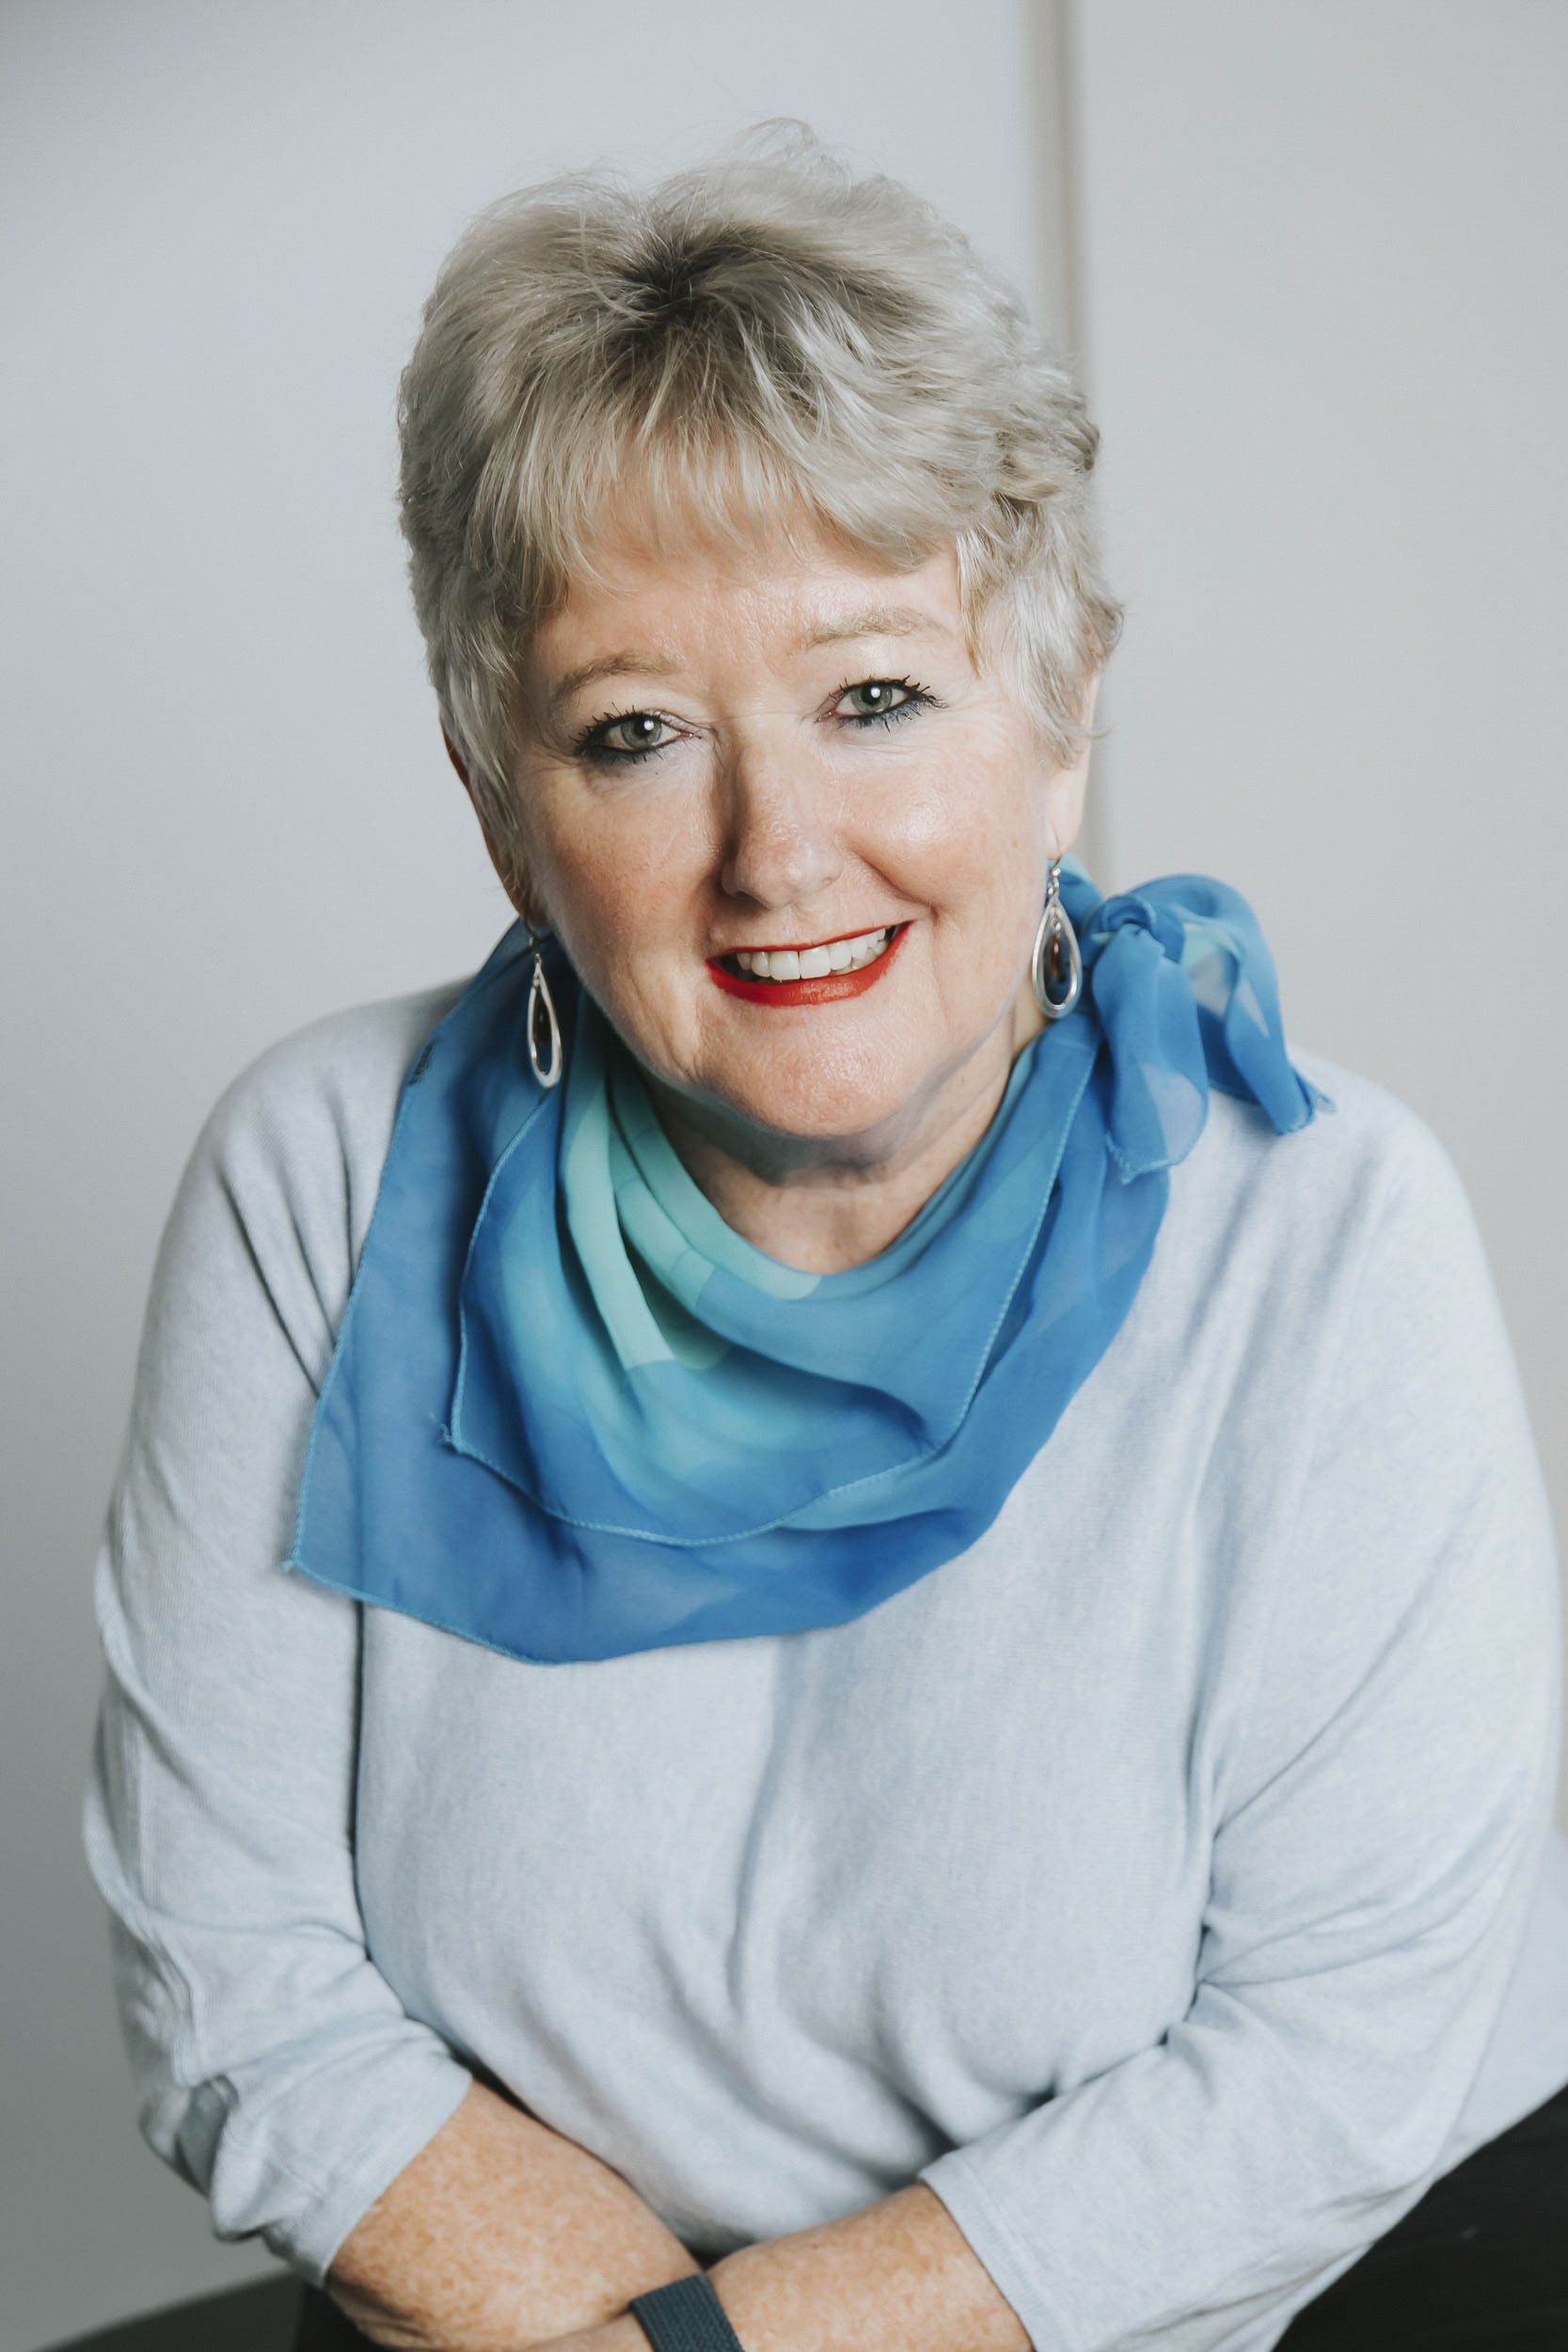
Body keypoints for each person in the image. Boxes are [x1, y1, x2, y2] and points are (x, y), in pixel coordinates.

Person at [86, 131, 1568, 2352]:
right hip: (514, 2305)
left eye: (875, 696)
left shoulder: (1328, 1231)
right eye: (637, 733)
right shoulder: (321, 1177)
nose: (776, 850)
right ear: (500, 804)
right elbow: (237, 1979)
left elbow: (1322, 2070)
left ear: (1061, 718)